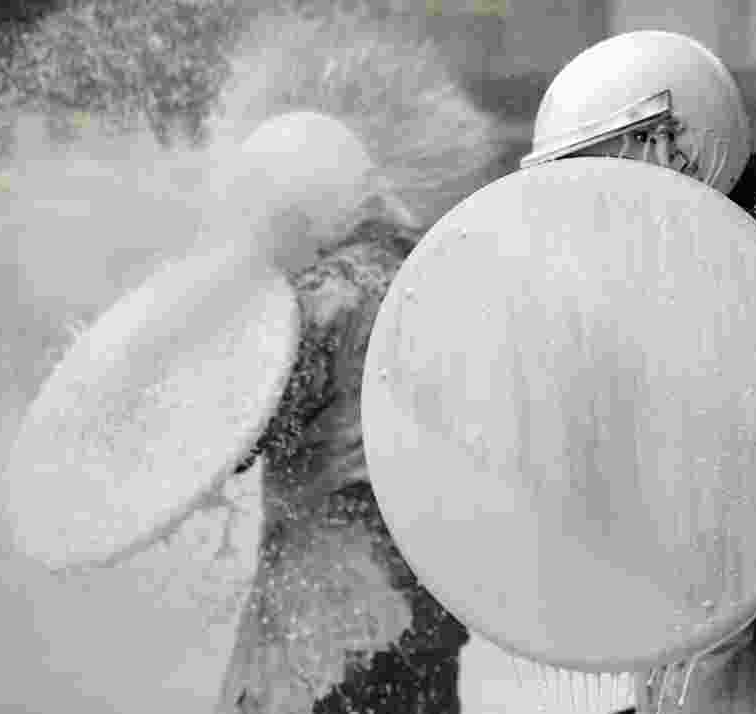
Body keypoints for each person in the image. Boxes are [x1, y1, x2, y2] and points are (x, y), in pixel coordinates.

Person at [520, 31, 756, 714]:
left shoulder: (744, 280)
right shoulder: (700, 262)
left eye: (601, 164)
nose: (590, 197)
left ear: (673, 146)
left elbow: (735, 506)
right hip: (717, 608)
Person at [212, 7, 502, 713]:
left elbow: (241, 432)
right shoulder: (426, 278)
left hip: (329, 594)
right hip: (423, 583)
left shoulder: (320, 302)